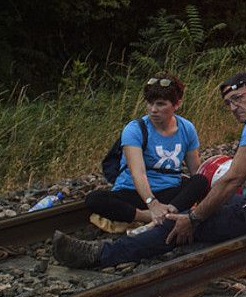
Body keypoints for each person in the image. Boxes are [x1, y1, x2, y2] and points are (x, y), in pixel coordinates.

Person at [52, 72, 246, 268]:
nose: (234, 107)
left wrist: (193, 219)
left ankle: (102, 255)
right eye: (228, 103)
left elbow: (232, 179)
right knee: (200, 212)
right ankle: (167, 222)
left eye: (238, 98)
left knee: (185, 226)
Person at [84, 74, 210, 233]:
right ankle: (150, 217)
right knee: (94, 199)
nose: (153, 110)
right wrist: (153, 204)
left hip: (169, 191)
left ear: (177, 104)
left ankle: (164, 215)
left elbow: (195, 170)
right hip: (134, 192)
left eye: (160, 104)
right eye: (150, 103)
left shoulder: (187, 128)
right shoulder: (135, 129)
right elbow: (138, 173)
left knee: (200, 180)